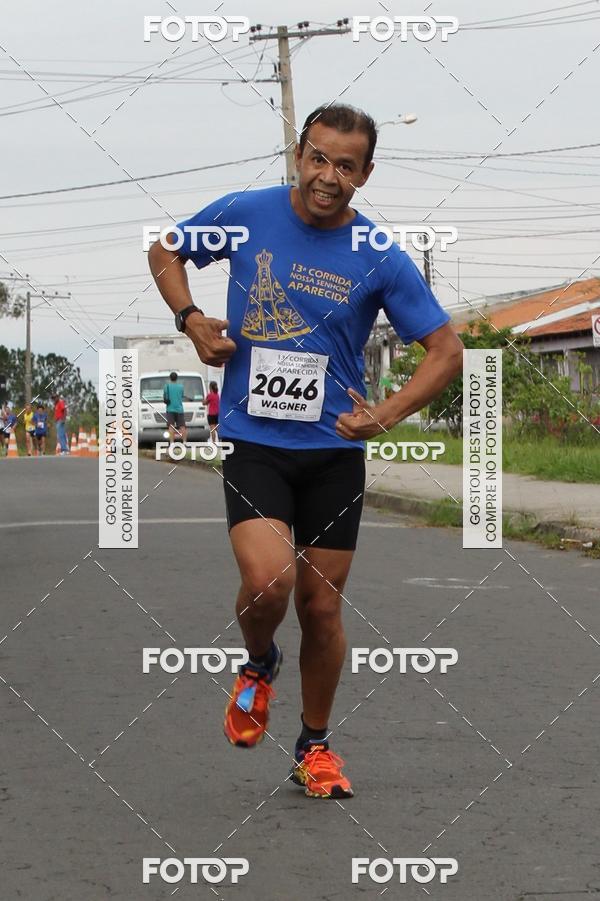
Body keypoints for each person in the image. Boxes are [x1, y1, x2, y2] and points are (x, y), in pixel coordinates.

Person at [148, 103, 463, 799]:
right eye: (318, 158)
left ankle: (315, 745)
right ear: (299, 153)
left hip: (333, 451)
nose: (328, 176)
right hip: (256, 439)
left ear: (365, 173)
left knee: (323, 608)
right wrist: (192, 321)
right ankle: (259, 660)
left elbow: (445, 350)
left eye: (345, 166)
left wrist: (385, 414)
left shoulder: (377, 252)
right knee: (270, 582)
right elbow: (164, 248)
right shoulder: (247, 211)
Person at [163, 371, 187, 444]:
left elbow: (165, 397)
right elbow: (182, 396)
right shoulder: (181, 387)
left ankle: (172, 442)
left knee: (171, 426)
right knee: (182, 426)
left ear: (170, 378)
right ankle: (184, 442)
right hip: (180, 409)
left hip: (170, 409)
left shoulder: (166, 386)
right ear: (177, 378)